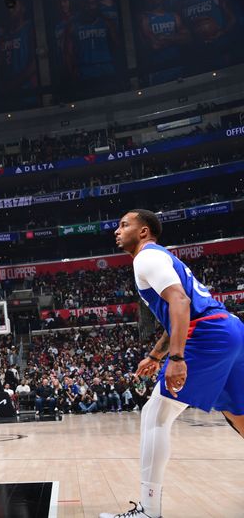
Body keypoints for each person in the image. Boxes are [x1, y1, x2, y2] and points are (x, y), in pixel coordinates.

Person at [100, 209, 244, 518]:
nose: (117, 230)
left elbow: (180, 303)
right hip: (229, 328)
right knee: (239, 416)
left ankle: (149, 510)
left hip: (207, 335)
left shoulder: (146, 257)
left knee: (156, 414)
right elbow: (178, 312)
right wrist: (155, 355)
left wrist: (177, 358)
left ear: (143, 232)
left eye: (124, 224)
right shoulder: (160, 257)